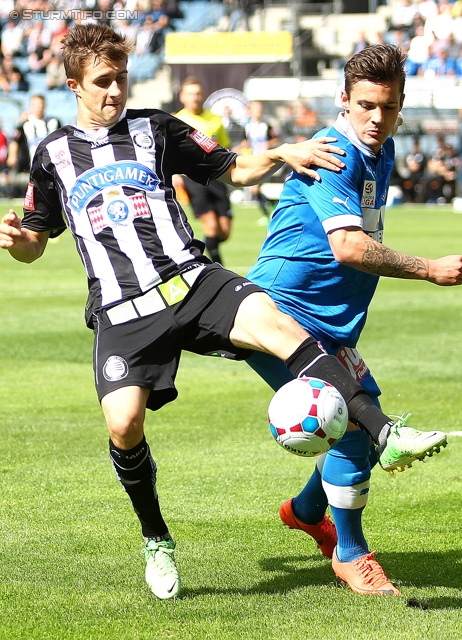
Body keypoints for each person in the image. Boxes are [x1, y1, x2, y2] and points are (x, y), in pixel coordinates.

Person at [0, 25, 452, 602]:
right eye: (102, 83)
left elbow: (230, 167)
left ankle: (378, 444)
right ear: (74, 86)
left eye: (121, 79)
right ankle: (157, 538)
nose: (114, 92)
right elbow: (36, 239)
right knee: (123, 427)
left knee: (284, 332)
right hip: (122, 308)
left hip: (193, 280)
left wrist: (282, 153)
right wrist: (17, 240)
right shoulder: (53, 155)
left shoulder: (156, 128)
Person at [245, 44, 462, 596]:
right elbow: (348, 246)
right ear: (343, 99)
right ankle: (350, 552)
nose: (375, 118)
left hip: (329, 323)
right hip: (283, 316)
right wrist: (430, 268)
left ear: (400, 105)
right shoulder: (333, 153)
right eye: (365, 105)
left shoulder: (379, 149)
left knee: (363, 427)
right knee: (349, 425)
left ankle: (305, 510)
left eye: (387, 108)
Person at [174, 76, 233, 265]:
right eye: (190, 94)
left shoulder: (215, 120)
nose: (195, 98)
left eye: (198, 93)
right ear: (182, 96)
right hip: (193, 178)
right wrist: (174, 175)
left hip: (217, 177)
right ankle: (217, 266)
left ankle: (205, 253)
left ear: (203, 95)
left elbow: (225, 147)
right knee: (211, 225)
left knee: (224, 231)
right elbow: (170, 153)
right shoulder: (177, 121)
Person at [244, 100, 279, 224]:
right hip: (253, 159)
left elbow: (276, 139)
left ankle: (267, 213)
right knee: (256, 189)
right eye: (255, 110)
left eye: (259, 110)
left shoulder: (266, 126)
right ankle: (274, 205)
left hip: (264, 159)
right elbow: (247, 142)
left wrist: (268, 144)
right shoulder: (247, 126)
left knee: (255, 188)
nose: (257, 113)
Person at [6, 94, 61, 174]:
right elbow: (15, 141)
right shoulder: (24, 124)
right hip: (30, 168)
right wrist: (12, 156)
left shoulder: (54, 122)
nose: (39, 107)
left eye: (41, 104)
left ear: (45, 105)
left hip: (51, 167)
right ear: (30, 107)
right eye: (35, 105)